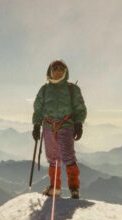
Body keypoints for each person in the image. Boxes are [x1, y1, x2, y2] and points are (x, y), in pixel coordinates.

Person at [32, 59, 87, 199]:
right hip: (49, 127)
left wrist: (79, 123)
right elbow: (38, 109)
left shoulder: (72, 89)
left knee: (68, 156)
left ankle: (74, 188)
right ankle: (55, 188)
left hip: (66, 125)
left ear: (65, 72)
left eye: (61, 69)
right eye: (55, 69)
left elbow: (79, 107)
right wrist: (36, 125)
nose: (57, 72)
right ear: (50, 72)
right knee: (53, 158)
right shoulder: (44, 90)